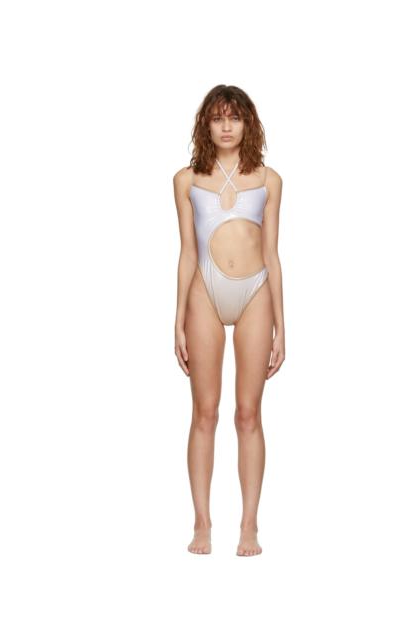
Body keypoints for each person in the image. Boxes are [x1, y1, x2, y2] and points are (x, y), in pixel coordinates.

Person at [173, 85, 285, 556]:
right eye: (218, 118)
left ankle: (249, 525)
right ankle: (202, 523)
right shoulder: (185, 179)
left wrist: (282, 327)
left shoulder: (269, 179)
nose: (226, 126)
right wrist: (177, 320)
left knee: (248, 412)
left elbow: (273, 254)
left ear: (247, 124)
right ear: (206, 124)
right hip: (205, 290)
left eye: (234, 118)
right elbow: (187, 252)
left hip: (255, 291)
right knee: (205, 411)